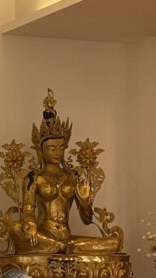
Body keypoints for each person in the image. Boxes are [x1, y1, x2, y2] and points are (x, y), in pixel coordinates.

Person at [7, 90, 120, 255]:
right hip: (44, 235)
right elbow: (28, 210)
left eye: (61, 148)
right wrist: (30, 225)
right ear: (41, 150)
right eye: (52, 148)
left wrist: (86, 202)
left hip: (66, 237)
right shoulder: (34, 178)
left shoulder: (73, 177)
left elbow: (86, 220)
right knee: (15, 228)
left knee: (114, 243)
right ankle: (58, 247)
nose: (58, 152)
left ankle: (62, 247)